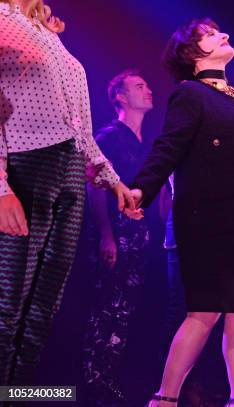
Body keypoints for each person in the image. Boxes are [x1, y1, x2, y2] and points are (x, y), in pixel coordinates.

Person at [125, 18, 234, 406]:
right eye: (210, 34)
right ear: (193, 53)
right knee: (205, 312)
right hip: (209, 223)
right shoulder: (189, 94)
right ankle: (164, 399)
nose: (222, 34)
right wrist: (142, 187)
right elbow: (168, 147)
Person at [0, 0, 133, 386]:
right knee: (9, 301)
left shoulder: (47, 30)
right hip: (26, 165)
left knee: (46, 304)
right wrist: (2, 187)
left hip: (71, 168)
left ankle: (19, 394)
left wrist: (113, 179)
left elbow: (80, 125)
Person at [82, 69, 154, 404]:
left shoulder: (147, 141)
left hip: (140, 236)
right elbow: (95, 185)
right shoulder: (109, 136)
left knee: (126, 309)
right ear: (120, 97)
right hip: (115, 234)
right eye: (139, 87)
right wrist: (106, 235)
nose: (148, 90)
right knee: (105, 308)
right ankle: (93, 382)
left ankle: (110, 380)